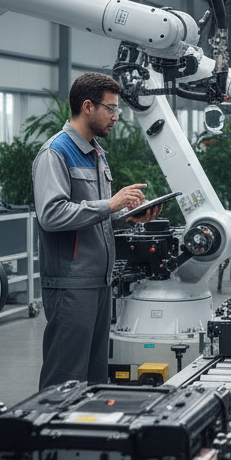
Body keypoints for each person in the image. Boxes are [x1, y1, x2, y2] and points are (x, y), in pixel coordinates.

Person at [33, 72, 159, 389]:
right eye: (111, 109)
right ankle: (53, 437)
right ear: (88, 106)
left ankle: (88, 435)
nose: (116, 117)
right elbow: (51, 215)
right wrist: (111, 205)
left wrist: (127, 218)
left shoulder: (96, 153)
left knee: (95, 377)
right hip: (71, 283)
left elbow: (93, 216)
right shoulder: (55, 153)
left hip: (99, 282)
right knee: (65, 377)